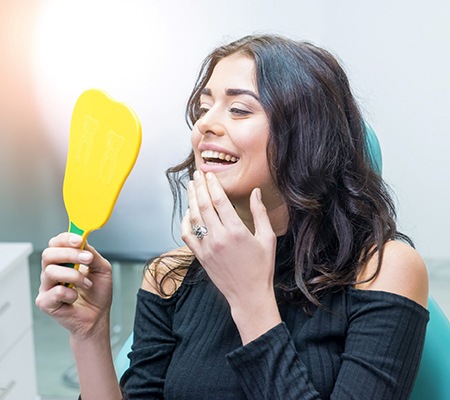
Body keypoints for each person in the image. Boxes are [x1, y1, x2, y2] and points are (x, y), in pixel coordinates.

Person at [36, 34, 429, 400]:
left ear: (308, 137)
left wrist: (249, 300)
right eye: (204, 108)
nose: (205, 123)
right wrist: (89, 334)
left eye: (239, 109)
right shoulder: (169, 276)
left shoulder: (382, 269)